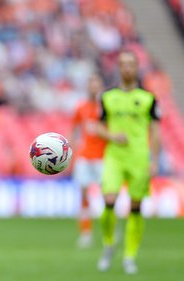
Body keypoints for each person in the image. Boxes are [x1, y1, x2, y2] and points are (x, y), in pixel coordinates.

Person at [96, 50, 161, 274]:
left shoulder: (148, 99)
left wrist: (154, 160)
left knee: (135, 208)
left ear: (136, 68)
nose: (126, 68)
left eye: (130, 64)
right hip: (114, 157)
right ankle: (109, 243)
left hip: (139, 159)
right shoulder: (107, 97)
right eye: (122, 64)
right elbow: (98, 127)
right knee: (109, 201)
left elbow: (155, 131)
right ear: (118, 68)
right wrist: (112, 136)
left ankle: (129, 256)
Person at [70, 73, 106, 249]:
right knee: (83, 194)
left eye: (96, 83)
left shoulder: (106, 107)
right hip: (84, 156)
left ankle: (110, 230)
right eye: (90, 83)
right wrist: (71, 153)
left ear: (100, 86)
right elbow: (74, 129)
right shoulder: (81, 107)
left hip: (103, 157)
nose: (93, 87)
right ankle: (86, 233)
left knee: (108, 195)